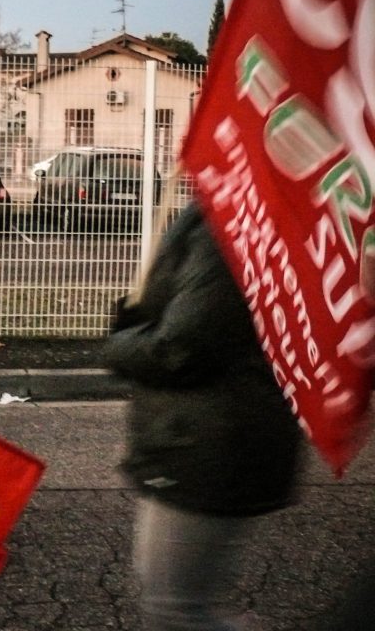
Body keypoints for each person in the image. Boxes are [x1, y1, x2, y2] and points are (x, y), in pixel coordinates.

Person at [102, 200, 302, 630]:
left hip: (208, 443)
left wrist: (118, 343)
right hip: (214, 434)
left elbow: (183, 348)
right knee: (183, 600)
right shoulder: (245, 212)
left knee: (177, 608)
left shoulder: (233, 221)